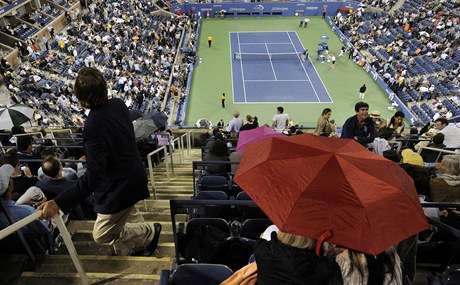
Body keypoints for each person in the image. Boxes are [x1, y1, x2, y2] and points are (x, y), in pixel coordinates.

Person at [37, 67, 161, 256]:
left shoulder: (93, 125)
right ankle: (143, 243)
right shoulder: (118, 104)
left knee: (102, 234)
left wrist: (58, 202)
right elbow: (118, 139)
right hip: (134, 175)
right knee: (129, 212)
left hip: (119, 187)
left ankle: (150, 233)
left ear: (82, 99)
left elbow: (94, 177)